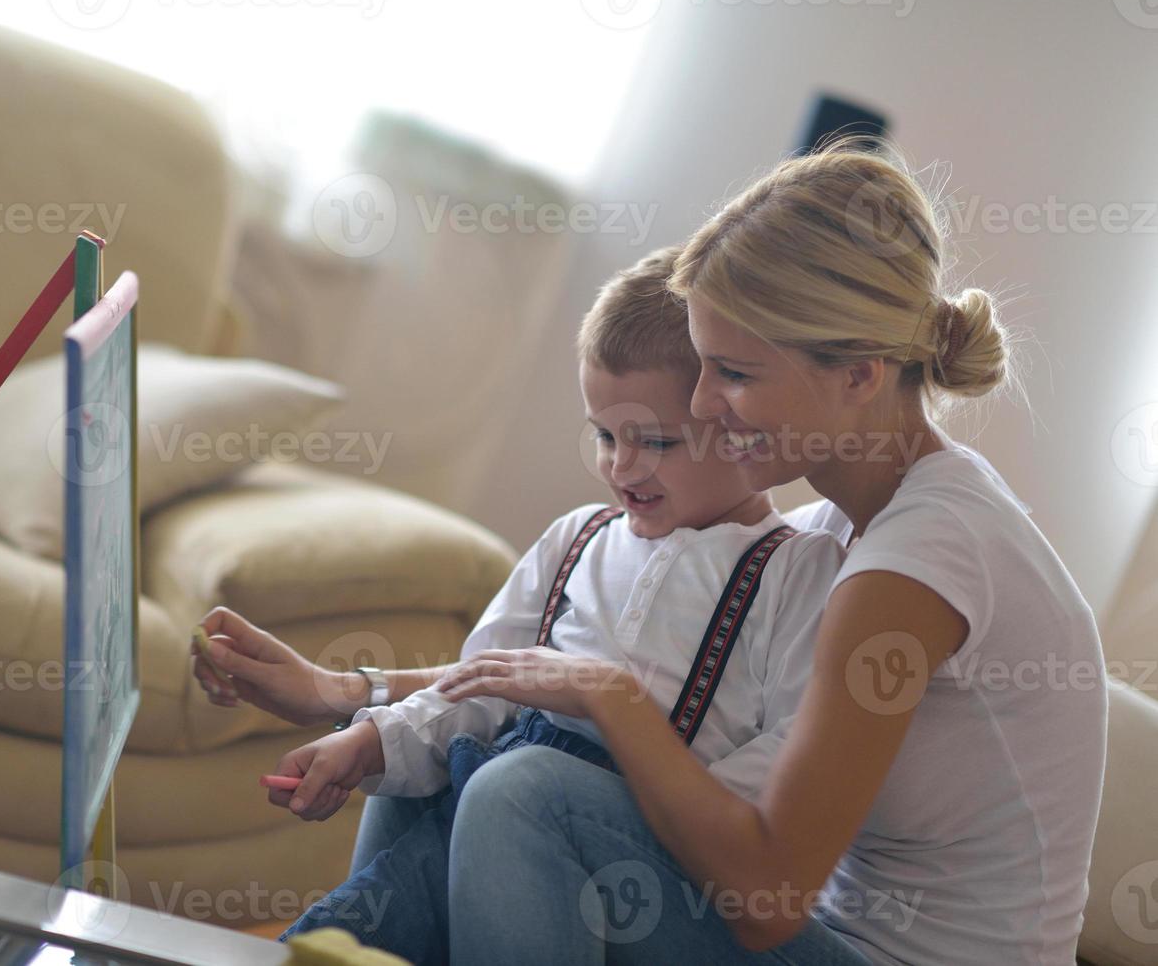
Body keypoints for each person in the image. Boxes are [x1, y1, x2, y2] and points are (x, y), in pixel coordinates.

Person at [431, 140, 1108, 965]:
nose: (702, 402)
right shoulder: (833, 531)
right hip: (829, 938)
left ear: (858, 375)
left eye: (734, 372)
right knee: (450, 761)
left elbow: (765, 900)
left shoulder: (916, 560)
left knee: (528, 795)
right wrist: (357, 697)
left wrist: (609, 697)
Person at [194, 246, 854, 963]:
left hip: (644, 870)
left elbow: (777, 785)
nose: (620, 466)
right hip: (504, 805)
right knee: (429, 774)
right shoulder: (576, 538)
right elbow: (478, 686)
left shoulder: (794, 570)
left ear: (736, 423)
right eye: (605, 436)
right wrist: (369, 738)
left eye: (657, 442)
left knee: (503, 792)